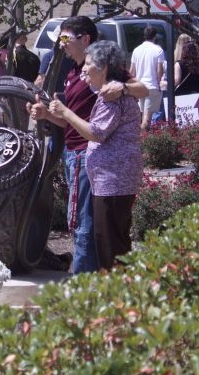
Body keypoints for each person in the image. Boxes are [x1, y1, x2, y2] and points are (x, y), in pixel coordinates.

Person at [30, 16, 148, 275]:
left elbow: (142, 90)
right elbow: (72, 121)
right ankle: (95, 280)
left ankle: (86, 282)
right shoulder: (75, 72)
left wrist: (122, 87)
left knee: (90, 226)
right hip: (76, 154)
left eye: (64, 38)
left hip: (93, 158)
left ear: (85, 39)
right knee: (91, 225)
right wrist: (48, 115)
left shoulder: (106, 74)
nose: (61, 45)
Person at [129, 25, 166, 132]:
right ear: (155, 37)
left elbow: (132, 71)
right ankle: (144, 142)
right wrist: (159, 84)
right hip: (152, 86)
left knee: (141, 116)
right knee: (147, 119)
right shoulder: (158, 50)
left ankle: (139, 139)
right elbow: (160, 70)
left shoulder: (136, 50)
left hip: (139, 86)